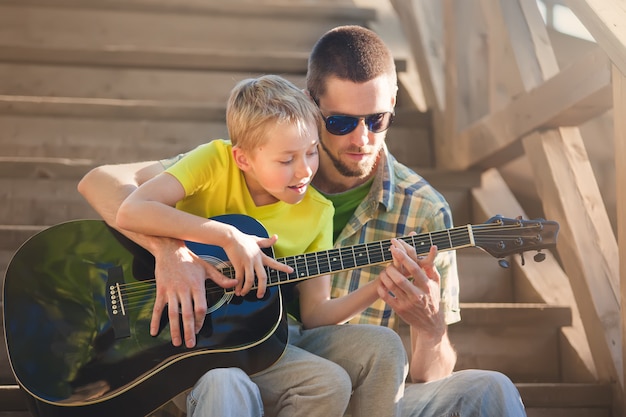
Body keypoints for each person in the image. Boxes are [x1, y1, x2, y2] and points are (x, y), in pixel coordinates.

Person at [78, 25, 526, 416]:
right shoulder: (242, 157)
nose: (361, 138)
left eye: (377, 119)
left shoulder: (421, 211)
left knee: (492, 389)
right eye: (341, 121)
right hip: (230, 362)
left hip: (354, 387)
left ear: (393, 104)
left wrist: (429, 326)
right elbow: (103, 184)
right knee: (227, 382)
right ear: (312, 108)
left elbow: (420, 371)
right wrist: (171, 251)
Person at [82, 73, 408, 417]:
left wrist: (379, 287)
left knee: (336, 378)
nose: (304, 171)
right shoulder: (215, 161)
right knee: (235, 381)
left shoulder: (318, 212)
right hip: (180, 338)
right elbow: (132, 209)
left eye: (312, 153)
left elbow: (315, 314)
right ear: (243, 159)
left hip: (260, 338)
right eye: (286, 160)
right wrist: (223, 237)